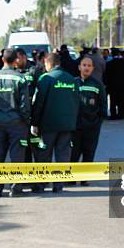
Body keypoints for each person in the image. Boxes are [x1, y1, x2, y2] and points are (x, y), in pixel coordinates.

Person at [31, 52, 80, 193]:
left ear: (48, 63)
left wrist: (34, 123)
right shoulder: (72, 79)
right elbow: (76, 103)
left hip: (48, 125)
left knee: (44, 155)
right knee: (62, 155)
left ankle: (41, 184)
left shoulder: (45, 79)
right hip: (67, 125)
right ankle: (58, 185)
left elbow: (38, 103)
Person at [0, 49, 31, 197]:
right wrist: (26, 121)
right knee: (17, 155)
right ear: (16, 60)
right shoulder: (20, 78)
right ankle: (15, 188)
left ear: (2, 60)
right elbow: (25, 104)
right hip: (17, 122)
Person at [71, 56, 107, 186]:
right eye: (84, 65)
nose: (86, 67)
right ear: (79, 67)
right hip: (75, 126)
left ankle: (84, 178)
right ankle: (71, 177)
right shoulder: (73, 83)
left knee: (89, 152)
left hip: (92, 126)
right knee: (74, 152)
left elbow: (103, 106)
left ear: (92, 68)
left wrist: (97, 123)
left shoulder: (97, 85)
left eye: (89, 65)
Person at [103, 48, 124, 119]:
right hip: (122, 84)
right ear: (119, 54)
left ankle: (113, 114)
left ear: (112, 54)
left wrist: (106, 83)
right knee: (121, 99)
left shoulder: (109, 64)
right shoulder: (123, 63)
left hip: (112, 85)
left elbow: (106, 75)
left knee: (113, 100)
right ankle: (121, 114)